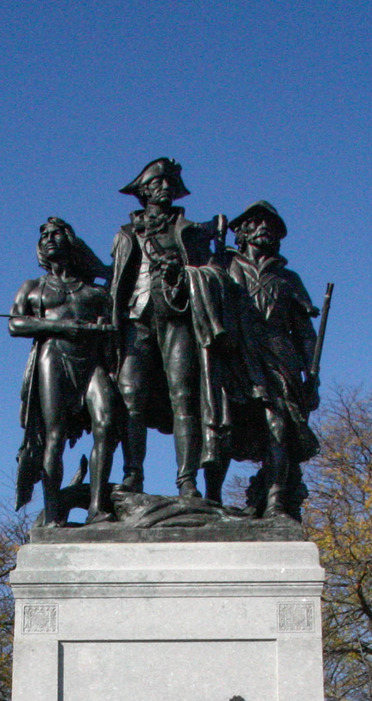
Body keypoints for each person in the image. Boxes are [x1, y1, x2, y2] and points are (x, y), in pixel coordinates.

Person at [108, 158, 237, 500]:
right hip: (136, 319)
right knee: (130, 397)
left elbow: (216, 272)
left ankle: (187, 481)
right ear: (144, 191)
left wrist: (184, 270)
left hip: (178, 316)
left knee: (184, 397)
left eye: (170, 183)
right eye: (158, 182)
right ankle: (133, 475)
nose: (165, 188)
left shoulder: (192, 231)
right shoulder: (126, 234)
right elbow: (115, 283)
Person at [8, 218, 122, 523]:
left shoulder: (96, 292)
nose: (49, 238)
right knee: (54, 435)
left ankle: (97, 507)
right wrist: (60, 326)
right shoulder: (33, 287)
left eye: (56, 234)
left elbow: (114, 332)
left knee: (107, 425)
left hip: (91, 361)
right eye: (44, 234)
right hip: (53, 357)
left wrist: (102, 330)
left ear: (71, 241)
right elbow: (15, 323)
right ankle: (54, 515)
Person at [224, 201, 322, 519]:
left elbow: (305, 332)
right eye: (256, 222)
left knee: (279, 428)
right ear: (242, 232)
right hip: (237, 355)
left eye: (271, 224)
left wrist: (311, 373)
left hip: (281, 357)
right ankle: (210, 499)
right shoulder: (224, 267)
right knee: (223, 426)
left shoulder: (288, 278)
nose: (264, 227)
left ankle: (277, 500)